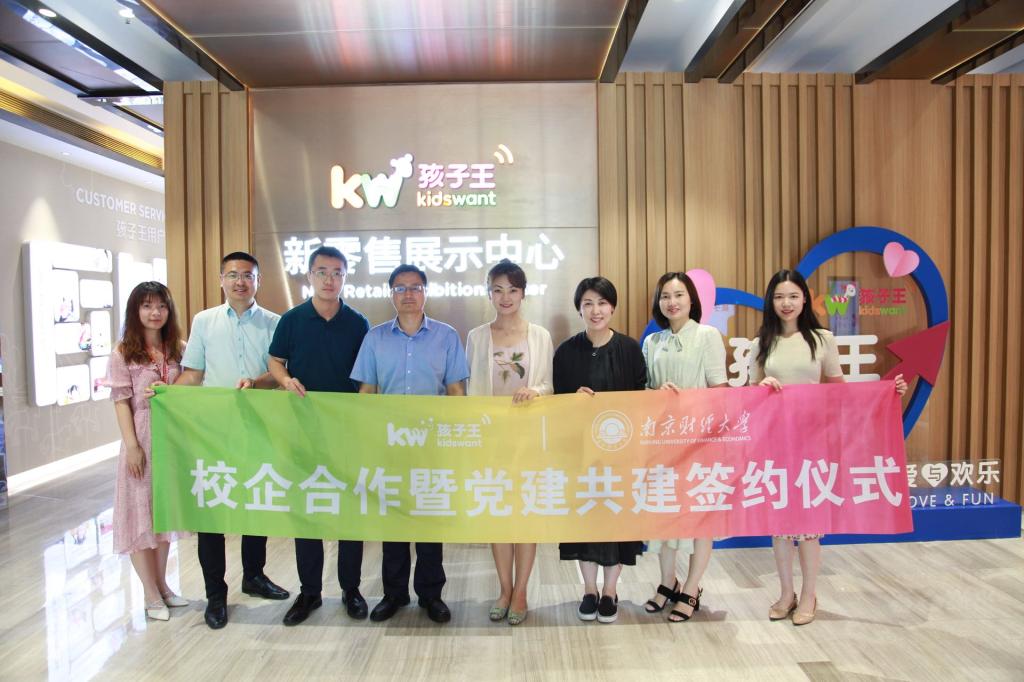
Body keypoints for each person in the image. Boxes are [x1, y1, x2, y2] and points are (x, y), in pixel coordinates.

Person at [749, 269, 907, 626]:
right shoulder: (762, 342)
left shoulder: (823, 340)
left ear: (804, 299)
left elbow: (840, 392)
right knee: (780, 525)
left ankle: (808, 594)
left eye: (793, 296)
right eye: (779, 297)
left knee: (808, 525)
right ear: (770, 301)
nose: (786, 303)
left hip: (811, 442)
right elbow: (748, 393)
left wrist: (886, 392)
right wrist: (762, 386)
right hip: (775, 442)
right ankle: (786, 593)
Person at [174, 251, 290, 629]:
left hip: (260, 426)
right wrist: (164, 393)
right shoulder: (204, 321)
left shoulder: (275, 322)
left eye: (247, 275)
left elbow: (279, 372)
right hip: (214, 430)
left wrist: (257, 382)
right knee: (212, 509)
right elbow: (193, 374)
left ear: (258, 281)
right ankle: (215, 594)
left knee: (256, 500)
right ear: (221, 279)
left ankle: (254, 576)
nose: (240, 282)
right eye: (233, 275)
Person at [351, 264, 469, 624]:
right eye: (400, 288)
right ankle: (394, 594)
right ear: (391, 294)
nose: (408, 294)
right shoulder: (375, 338)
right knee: (394, 522)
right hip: (389, 445)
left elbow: (456, 392)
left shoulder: (446, 336)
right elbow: (366, 393)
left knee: (430, 521)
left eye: (415, 287)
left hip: (431, 446)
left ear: (425, 292)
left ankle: (431, 595)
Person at [267, 246, 370, 626]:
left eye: (337, 273)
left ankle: (351, 589)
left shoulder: (358, 322)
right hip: (303, 430)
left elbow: (367, 374)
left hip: (347, 432)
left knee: (350, 511)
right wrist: (284, 380)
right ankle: (309, 591)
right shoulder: (292, 320)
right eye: (323, 272)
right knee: (307, 507)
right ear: (309, 276)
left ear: (345, 277)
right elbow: (275, 360)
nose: (330, 279)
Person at [465, 259, 553, 626]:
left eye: (512, 290)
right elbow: (471, 391)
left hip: (528, 438)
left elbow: (549, 385)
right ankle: (504, 589)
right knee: (499, 516)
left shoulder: (540, 335)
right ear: (489, 293)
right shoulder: (476, 337)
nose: (505, 297)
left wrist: (535, 390)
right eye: (498, 290)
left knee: (526, 515)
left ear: (523, 293)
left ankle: (521, 592)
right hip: (491, 438)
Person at [553, 276, 646, 624]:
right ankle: (589, 590)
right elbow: (557, 404)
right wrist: (572, 400)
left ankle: (610, 591)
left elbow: (641, 399)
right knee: (585, 521)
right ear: (579, 309)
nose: (596, 310)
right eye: (588, 303)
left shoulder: (629, 349)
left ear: (613, 307)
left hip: (621, 454)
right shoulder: (565, 352)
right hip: (580, 455)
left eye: (602, 303)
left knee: (616, 521)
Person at [642, 272, 728, 622]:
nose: (672, 302)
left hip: (699, 442)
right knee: (665, 515)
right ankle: (667, 582)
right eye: (665, 296)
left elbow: (720, 390)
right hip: (662, 442)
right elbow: (643, 390)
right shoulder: (652, 341)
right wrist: (655, 394)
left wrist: (692, 408)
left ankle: (691, 588)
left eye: (679, 294)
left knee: (699, 519)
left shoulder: (707, 335)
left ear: (692, 299)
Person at [105, 281, 189, 621]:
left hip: (173, 438)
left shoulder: (178, 348)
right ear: (135, 310)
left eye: (161, 306)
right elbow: (121, 402)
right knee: (139, 515)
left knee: (163, 514)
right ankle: (150, 593)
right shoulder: (123, 352)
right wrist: (132, 446)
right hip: (141, 435)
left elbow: (192, 385)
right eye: (147, 306)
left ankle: (164, 586)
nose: (155, 313)